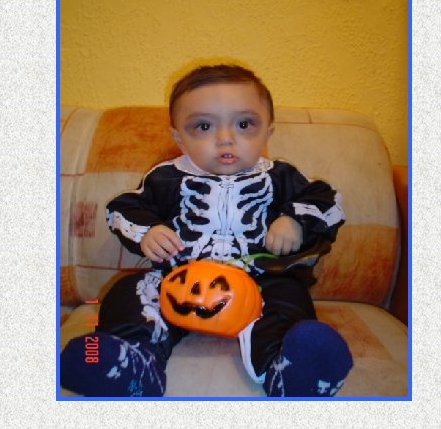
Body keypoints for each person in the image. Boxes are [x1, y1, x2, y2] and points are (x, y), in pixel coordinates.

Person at [60, 64, 353, 397]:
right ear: (179, 138)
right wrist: (148, 231)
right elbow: (122, 209)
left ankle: (289, 370)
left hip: (262, 283)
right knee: (128, 291)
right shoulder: (165, 178)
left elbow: (329, 201)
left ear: (268, 132)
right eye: (203, 126)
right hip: (179, 282)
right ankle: (130, 363)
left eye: (244, 124)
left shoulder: (282, 176)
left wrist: (295, 221)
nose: (225, 138)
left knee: (290, 299)